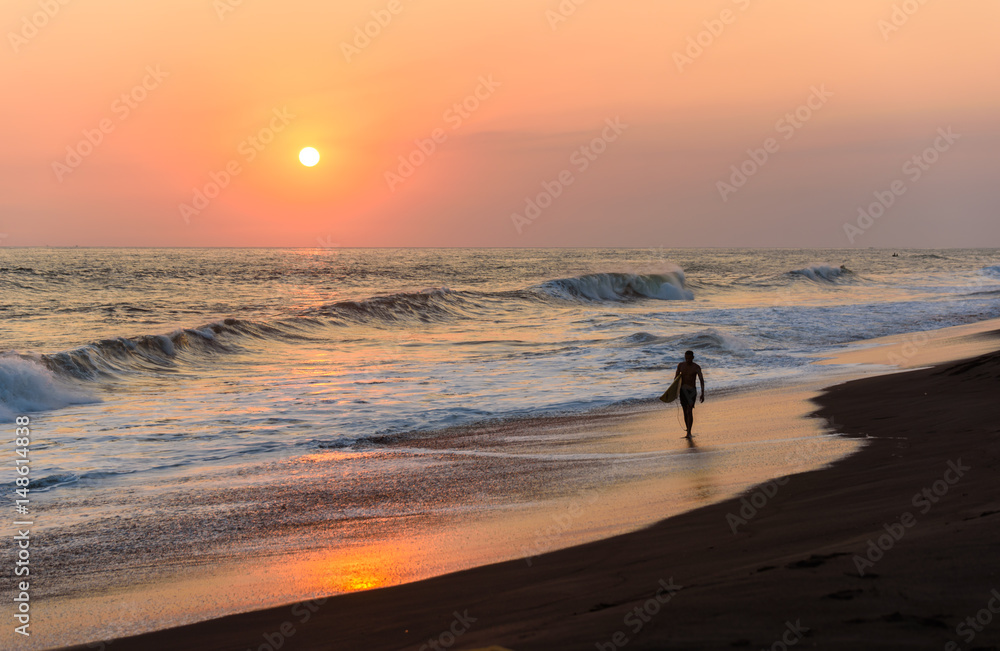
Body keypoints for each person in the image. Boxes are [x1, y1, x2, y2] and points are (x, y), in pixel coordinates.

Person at [674, 350, 705, 438]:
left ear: (693, 358)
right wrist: (674, 392)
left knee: (689, 410)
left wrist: (702, 393)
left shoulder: (696, 367)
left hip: (692, 391)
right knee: (684, 411)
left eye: (689, 358)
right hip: (682, 391)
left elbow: (701, 380)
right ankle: (688, 429)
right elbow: (675, 379)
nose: (687, 360)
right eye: (686, 358)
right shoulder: (681, 365)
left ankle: (689, 432)